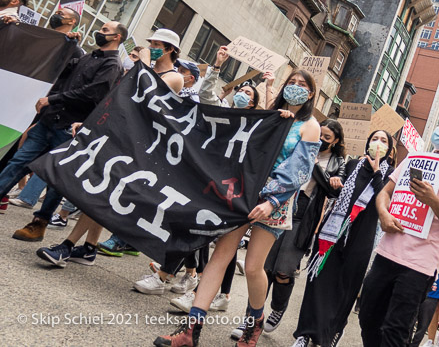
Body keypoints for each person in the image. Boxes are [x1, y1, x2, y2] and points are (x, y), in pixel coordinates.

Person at [154, 69, 321, 347]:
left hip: (275, 201)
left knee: (255, 266)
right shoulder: (271, 116)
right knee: (221, 255)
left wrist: (272, 201)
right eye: (291, 82)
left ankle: (254, 323)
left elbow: (299, 171)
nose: (295, 88)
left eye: (302, 85)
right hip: (245, 192)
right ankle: (190, 331)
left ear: (311, 94)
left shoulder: (311, 126)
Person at [358, 113, 439, 347]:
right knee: (367, 317)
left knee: (396, 329)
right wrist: (383, 213)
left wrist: (432, 199)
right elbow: (385, 192)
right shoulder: (414, 158)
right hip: (386, 254)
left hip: (418, 266)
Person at [4, 22, 126, 242]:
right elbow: (65, 72)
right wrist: (69, 44)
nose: (99, 32)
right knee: (18, 163)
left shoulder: (112, 64)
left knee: (56, 180)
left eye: (105, 30)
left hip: (69, 129)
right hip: (50, 122)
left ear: (117, 37)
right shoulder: (89, 56)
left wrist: (53, 99)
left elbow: (93, 92)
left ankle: (39, 223)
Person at [291, 130, 396, 347]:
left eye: (383, 141)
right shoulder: (352, 165)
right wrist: (336, 182)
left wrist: (377, 173)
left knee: (344, 289)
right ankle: (305, 333)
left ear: (389, 148)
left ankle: (329, 334)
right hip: (332, 233)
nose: (378, 143)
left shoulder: (391, 175)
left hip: (360, 239)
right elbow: (337, 195)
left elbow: (382, 202)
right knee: (317, 282)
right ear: (367, 142)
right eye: (374, 138)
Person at [246, 119, 346, 336]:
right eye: (320, 135)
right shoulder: (301, 143)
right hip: (281, 203)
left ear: (336, 141)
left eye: (327, 138)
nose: (321, 140)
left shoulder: (338, 162)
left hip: (304, 216)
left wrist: (315, 164)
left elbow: (332, 189)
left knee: (284, 269)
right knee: (262, 266)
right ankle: (252, 317)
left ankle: (278, 308)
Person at [411, 242, 439, 347]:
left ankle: (417, 344)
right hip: (421, 290)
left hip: (435, 294)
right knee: (411, 320)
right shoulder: (431, 254)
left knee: (423, 324)